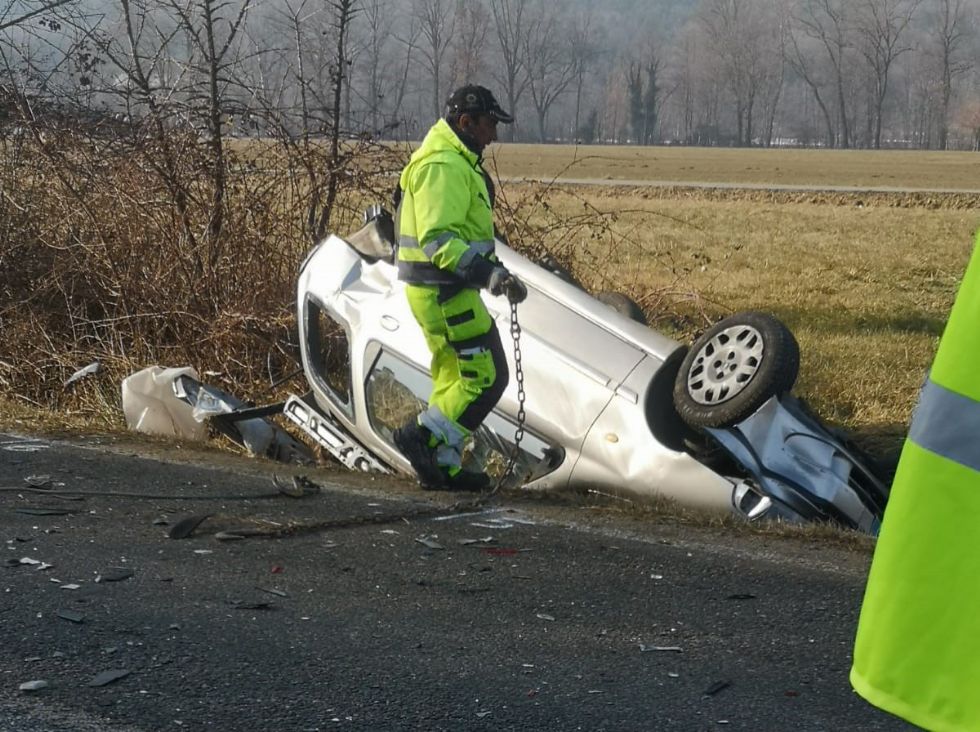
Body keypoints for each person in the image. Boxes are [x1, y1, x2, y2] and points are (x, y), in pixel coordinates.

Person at [392, 84, 527, 491]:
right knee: (487, 377)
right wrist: (488, 275)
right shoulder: (444, 165)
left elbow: (466, 234)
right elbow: (438, 240)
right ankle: (420, 436)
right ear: (465, 122)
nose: (494, 135)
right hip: (445, 291)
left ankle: (442, 465)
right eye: (489, 124)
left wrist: (496, 271)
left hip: (444, 289)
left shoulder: (454, 159)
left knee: (454, 378)